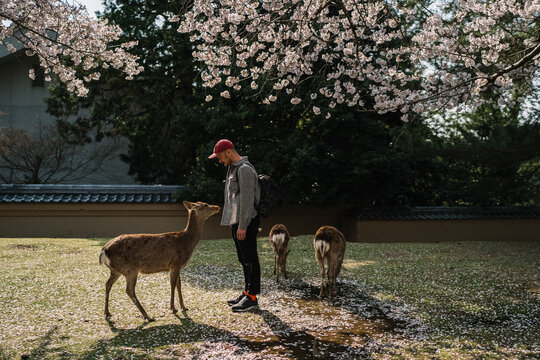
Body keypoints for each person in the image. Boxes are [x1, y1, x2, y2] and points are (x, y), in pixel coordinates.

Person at [209, 139, 261, 312]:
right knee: (244, 259)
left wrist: (243, 226)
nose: (219, 161)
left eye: (220, 157)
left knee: (251, 258)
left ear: (229, 152)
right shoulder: (234, 168)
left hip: (245, 222)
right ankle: (247, 292)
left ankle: (252, 298)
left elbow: (247, 200)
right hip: (237, 221)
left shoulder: (245, 170)